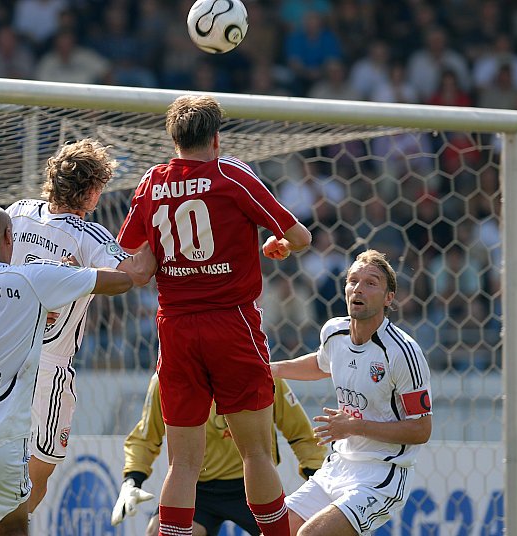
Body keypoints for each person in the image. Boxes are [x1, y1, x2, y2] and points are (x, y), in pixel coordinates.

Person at [117, 94, 312, 536]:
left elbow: (138, 264)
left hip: (176, 329)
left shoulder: (151, 183)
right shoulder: (231, 174)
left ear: (173, 138)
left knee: (182, 462)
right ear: (217, 138)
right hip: (232, 323)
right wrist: (278, 245)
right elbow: (300, 236)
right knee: (256, 454)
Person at [0, 138, 156, 535]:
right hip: (46, 367)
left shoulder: (18, 212)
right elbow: (137, 275)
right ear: (93, 192)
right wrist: (159, 228)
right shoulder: (87, 235)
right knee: (35, 473)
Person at [0, 204, 143, 536]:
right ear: (10, 236)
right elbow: (122, 280)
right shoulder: (31, 282)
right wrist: (67, 275)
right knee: (17, 525)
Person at [271, 249, 433, 536]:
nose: (358, 287)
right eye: (353, 280)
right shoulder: (334, 332)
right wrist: (274, 369)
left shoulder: (403, 352)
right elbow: (322, 364)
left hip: (381, 475)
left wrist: (354, 426)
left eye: (371, 282)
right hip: (336, 466)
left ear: (388, 298)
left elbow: (421, 429)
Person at [111, 372, 327, 535]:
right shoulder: (168, 377)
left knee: (292, 531)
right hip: (198, 490)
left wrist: (319, 478)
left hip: (253, 483)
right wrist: (132, 479)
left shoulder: (261, 372)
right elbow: (146, 437)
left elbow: (300, 433)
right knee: (156, 530)